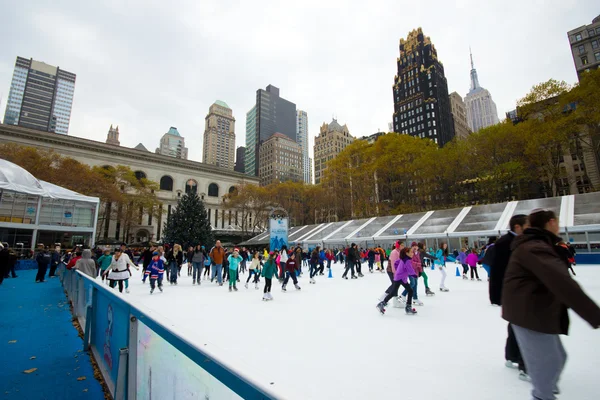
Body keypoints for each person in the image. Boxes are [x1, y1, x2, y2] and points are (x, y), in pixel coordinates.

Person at [502, 209, 600, 400]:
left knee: (556, 359)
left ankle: (544, 391)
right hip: (527, 312)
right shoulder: (534, 246)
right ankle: (543, 395)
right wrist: (594, 314)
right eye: (557, 222)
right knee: (549, 364)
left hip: (534, 310)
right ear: (551, 222)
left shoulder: (539, 244)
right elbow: (561, 281)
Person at [489, 214, 529, 381]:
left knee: (518, 324)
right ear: (518, 227)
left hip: (517, 291)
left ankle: (512, 355)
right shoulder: (506, 243)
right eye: (527, 225)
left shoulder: (514, 242)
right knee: (523, 325)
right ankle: (523, 363)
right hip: (513, 291)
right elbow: (498, 271)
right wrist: (497, 295)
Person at [376, 246, 418, 315]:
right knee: (409, 291)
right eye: (411, 252)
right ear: (406, 253)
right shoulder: (407, 260)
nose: (412, 253)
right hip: (400, 278)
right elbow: (410, 270)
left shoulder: (403, 259)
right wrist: (415, 275)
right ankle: (408, 307)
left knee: (395, 292)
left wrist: (398, 270)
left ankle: (382, 304)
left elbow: (396, 263)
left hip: (399, 277)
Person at [401, 242, 423, 306]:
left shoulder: (417, 253)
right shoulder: (410, 252)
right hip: (411, 271)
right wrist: (419, 264)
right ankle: (403, 294)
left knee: (415, 284)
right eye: (414, 246)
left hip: (416, 271)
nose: (415, 247)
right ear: (412, 247)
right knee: (412, 283)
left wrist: (420, 271)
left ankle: (415, 298)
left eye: (416, 246)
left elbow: (419, 262)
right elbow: (411, 262)